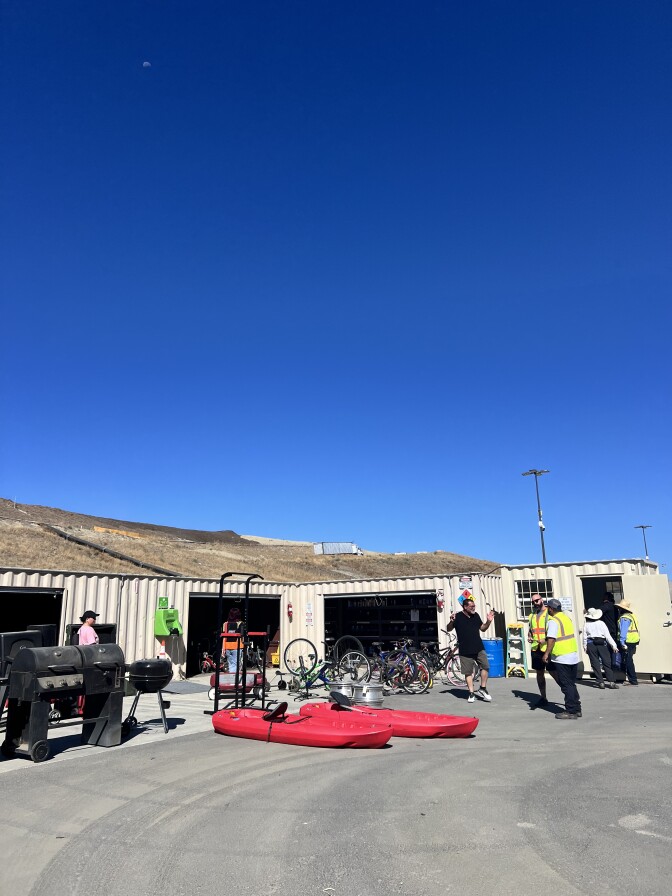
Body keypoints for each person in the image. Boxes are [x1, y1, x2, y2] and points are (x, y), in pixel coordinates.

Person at [445, 598, 495, 703]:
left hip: (478, 647)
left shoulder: (475, 615)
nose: (473, 608)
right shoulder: (457, 617)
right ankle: (471, 693)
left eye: (474, 606)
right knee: (468, 672)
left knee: (485, 666)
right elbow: (448, 628)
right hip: (465, 649)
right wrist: (451, 621)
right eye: (471, 606)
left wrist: (489, 621)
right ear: (465, 607)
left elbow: (483, 628)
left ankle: (483, 688)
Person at [542, 598, 582, 720]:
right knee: (571, 684)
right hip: (573, 655)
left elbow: (552, 639)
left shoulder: (553, 621)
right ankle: (577, 708)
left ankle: (571, 711)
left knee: (566, 685)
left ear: (552, 609)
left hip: (562, 657)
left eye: (548, 607)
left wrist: (546, 653)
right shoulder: (566, 618)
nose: (547, 609)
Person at [527, 593, 557, 706]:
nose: (535, 603)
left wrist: (545, 640)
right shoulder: (532, 615)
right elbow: (531, 630)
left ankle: (568, 694)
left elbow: (554, 632)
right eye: (533, 602)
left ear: (542, 600)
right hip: (536, 648)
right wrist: (529, 636)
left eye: (537, 600)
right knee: (539, 673)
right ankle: (543, 697)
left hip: (546, 648)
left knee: (554, 672)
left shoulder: (549, 614)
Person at [582, 607, 618, 689]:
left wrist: (585, 646)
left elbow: (584, 637)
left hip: (590, 644)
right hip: (601, 643)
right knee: (606, 662)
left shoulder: (586, 624)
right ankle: (611, 682)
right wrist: (614, 645)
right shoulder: (601, 623)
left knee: (595, 663)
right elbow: (607, 635)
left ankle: (600, 681)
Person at [616, 600, 640, 685]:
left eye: (619, 608)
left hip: (627, 641)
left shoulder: (624, 618)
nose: (618, 609)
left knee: (628, 660)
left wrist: (622, 642)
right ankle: (632, 678)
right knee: (629, 659)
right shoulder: (631, 616)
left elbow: (623, 631)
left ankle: (633, 679)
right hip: (633, 640)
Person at [223, 608, 242, 674]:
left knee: (231, 664)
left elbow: (224, 636)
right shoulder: (240, 624)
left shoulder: (226, 624)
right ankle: (234, 680)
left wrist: (223, 648)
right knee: (236, 664)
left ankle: (232, 678)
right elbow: (242, 635)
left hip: (228, 646)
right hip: (237, 646)